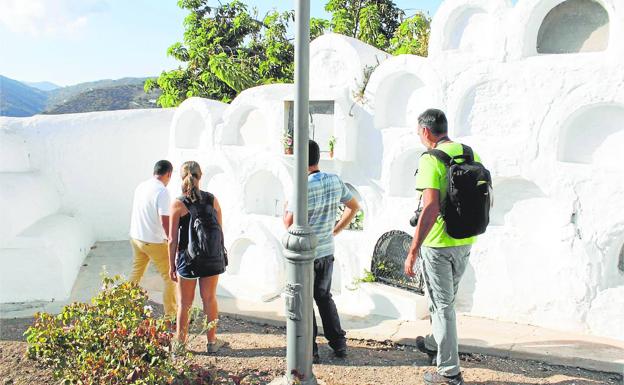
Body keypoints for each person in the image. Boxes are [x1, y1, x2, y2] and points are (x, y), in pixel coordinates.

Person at [404, 109, 483, 385]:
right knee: (444, 302)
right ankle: (433, 343)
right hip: (465, 240)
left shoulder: (430, 159)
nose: (419, 136)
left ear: (426, 132)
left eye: (418, 132)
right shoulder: (470, 153)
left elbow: (430, 207)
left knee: (442, 306)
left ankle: (449, 372)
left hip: (438, 244)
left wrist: (413, 250)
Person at [283, 140, 360, 363]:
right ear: (317, 157)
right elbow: (354, 206)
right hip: (326, 250)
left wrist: (287, 205)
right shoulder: (335, 180)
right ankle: (338, 344)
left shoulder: (301, 187)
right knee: (324, 298)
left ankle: (310, 350)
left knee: (305, 302)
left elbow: (288, 223)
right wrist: (335, 230)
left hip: (306, 255)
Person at [168, 161, 227, 353]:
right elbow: (220, 231)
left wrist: (172, 266)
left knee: (184, 304)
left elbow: (172, 240)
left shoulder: (178, 204)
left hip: (188, 260)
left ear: (181, 177)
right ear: (200, 176)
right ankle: (212, 342)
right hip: (211, 258)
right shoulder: (213, 200)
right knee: (209, 299)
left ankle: (180, 344)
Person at [129, 160, 177, 321]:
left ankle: (123, 305)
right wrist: (172, 240)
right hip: (153, 241)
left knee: (136, 273)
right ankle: (171, 315)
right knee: (170, 277)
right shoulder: (162, 191)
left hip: (136, 237)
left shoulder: (142, 186)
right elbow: (165, 220)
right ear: (168, 174)